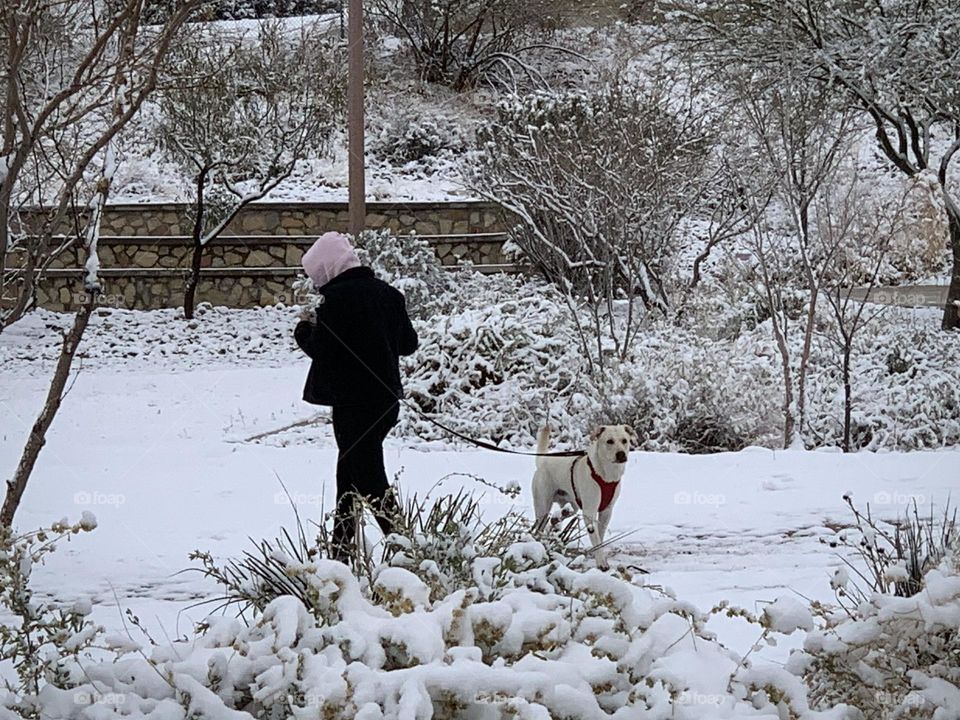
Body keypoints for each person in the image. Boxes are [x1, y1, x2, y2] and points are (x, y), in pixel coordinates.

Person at [294, 232, 418, 558]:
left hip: (351, 406)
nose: (316, 282)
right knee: (348, 476)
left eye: (316, 274)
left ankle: (405, 548)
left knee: (367, 476)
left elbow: (323, 351)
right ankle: (341, 552)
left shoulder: (336, 304)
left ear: (328, 268)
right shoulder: (390, 296)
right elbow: (409, 344)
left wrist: (304, 331)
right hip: (386, 402)